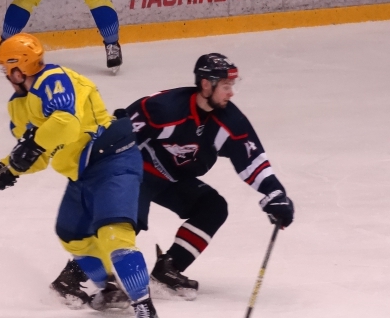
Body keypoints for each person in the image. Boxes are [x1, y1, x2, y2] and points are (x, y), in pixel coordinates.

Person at [51, 53, 295, 304]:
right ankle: (72, 276)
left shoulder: (228, 121)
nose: (231, 93)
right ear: (206, 84)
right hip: (138, 172)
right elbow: (120, 134)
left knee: (212, 207)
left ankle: (168, 269)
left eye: (232, 85)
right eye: (225, 86)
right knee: (123, 223)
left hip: (173, 179)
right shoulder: (165, 108)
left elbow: (251, 159)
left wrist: (274, 193)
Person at [0, 32, 160, 318]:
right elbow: (38, 156)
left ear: (19, 69)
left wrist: (30, 147)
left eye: (6, 69)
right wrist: (3, 171)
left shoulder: (54, 80)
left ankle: (145, 309)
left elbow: (66, 124)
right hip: (81, 173)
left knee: (114, 234)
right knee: (71, 234)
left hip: (113, 161)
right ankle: (110, 288)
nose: (5, 76)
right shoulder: (19, 106)